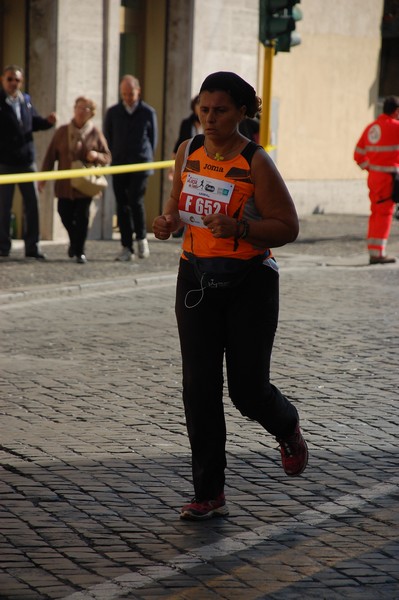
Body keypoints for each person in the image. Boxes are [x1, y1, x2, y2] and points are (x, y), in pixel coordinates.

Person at [152, 71, 308, 521]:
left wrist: (242, 228)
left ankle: (286, 425)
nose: (209, 118)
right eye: (203, 109)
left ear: (242, 112)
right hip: (196, 279)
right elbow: (177, 208)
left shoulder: (257, 161)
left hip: (249, 283)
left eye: (220, 110)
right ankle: (209, 493)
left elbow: (288, 227)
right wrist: (167, 224)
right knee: (198, 388)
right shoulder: (188, 151)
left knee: (247, 390)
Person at [39, 96, 111, 264]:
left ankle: (80, 251)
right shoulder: (62, 131)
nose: (80, 111)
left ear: (91, 113)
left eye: (85, 108)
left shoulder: (95, 133)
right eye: (78, 107)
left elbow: (107, 157)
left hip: (84, 185)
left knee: (82, 218)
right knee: (64, 213)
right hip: (64, 184)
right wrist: (43, 178)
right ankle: (74, 242)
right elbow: (51, 156)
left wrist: (96, 155)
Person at [0, 64, 56, 259]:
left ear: (21, 82)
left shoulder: (27, 101)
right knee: (3, 207)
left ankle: (33, 247)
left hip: (26, 162)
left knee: (32, 205)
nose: (13, 83)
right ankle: (3, 247)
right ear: (3, 80)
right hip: (5, 164)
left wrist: (48, 122)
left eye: (16, 80)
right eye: (9, 79)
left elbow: (34, 123)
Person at [104, 75, 157, 261]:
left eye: (131, 94)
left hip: (141, 163)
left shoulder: (148, 112)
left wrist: (145, 157)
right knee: (122, 205)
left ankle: (141, 238)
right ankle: (126, 246)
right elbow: (107, 136)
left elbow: (153, 139)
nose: (128, 97)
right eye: (124, 94)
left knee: (136, 201)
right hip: (119, 164)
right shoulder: (113, 112)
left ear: (138, 91)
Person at [354, 95, 399, 264]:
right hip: (388, 179)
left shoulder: (371, 128)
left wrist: (370, 167)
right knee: (384, 214)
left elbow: (358, 154)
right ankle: (378, 253)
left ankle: (374, 250)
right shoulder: (396, 127)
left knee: (375, 213)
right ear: (396, 111)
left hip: (373, 177)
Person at [169, 95, 203, 237]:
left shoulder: (213, 125)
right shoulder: (187, 123)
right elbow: (178, 146)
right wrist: (172, 167)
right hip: (189, 166)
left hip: (206, 167)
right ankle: (180, 226)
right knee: (183, 195)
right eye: (201, 107)